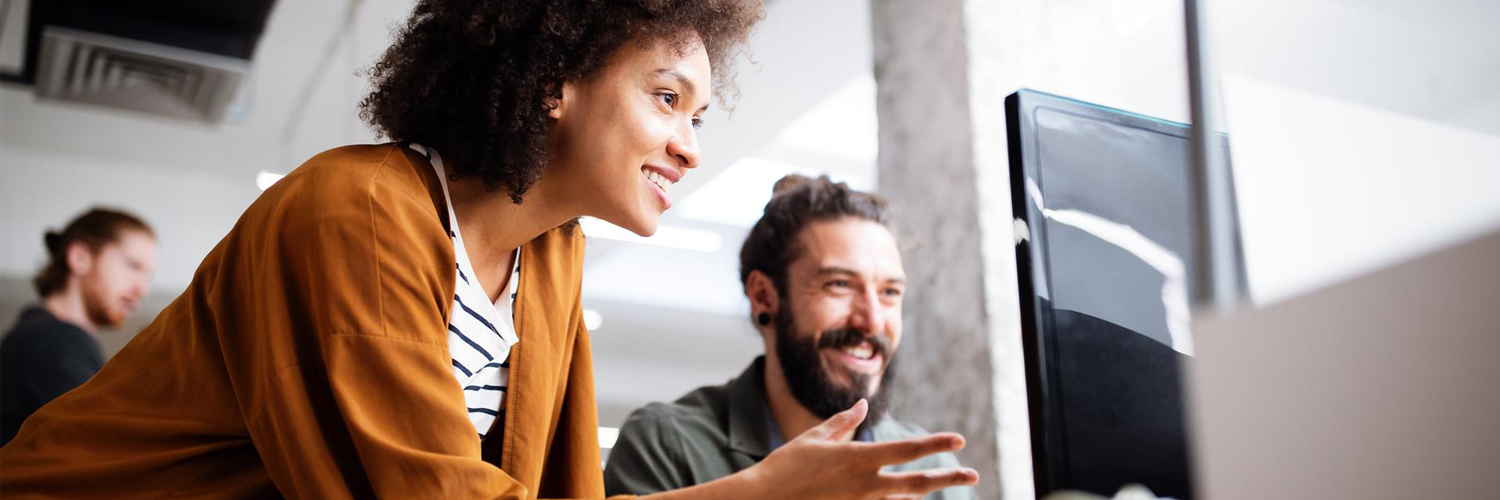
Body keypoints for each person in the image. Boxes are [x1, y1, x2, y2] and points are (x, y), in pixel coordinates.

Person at [0, 2, 978, 499]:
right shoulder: (353, 214)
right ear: (554, 79)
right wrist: (760, 490)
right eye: (666, 97)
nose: (689, 142)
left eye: (699, 112)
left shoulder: (551, 261)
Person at [604, 176, 977, 499]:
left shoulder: (931, 469)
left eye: (890, 292)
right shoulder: (667, 445)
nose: (872, 321)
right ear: (764, 296)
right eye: (840, 285)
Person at [0, 208, 156, 446]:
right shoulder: (50, 340)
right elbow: (107, 447)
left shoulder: (52, 337)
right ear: (80, 257)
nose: (141, 289)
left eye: (148, 276)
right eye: (133, 266)